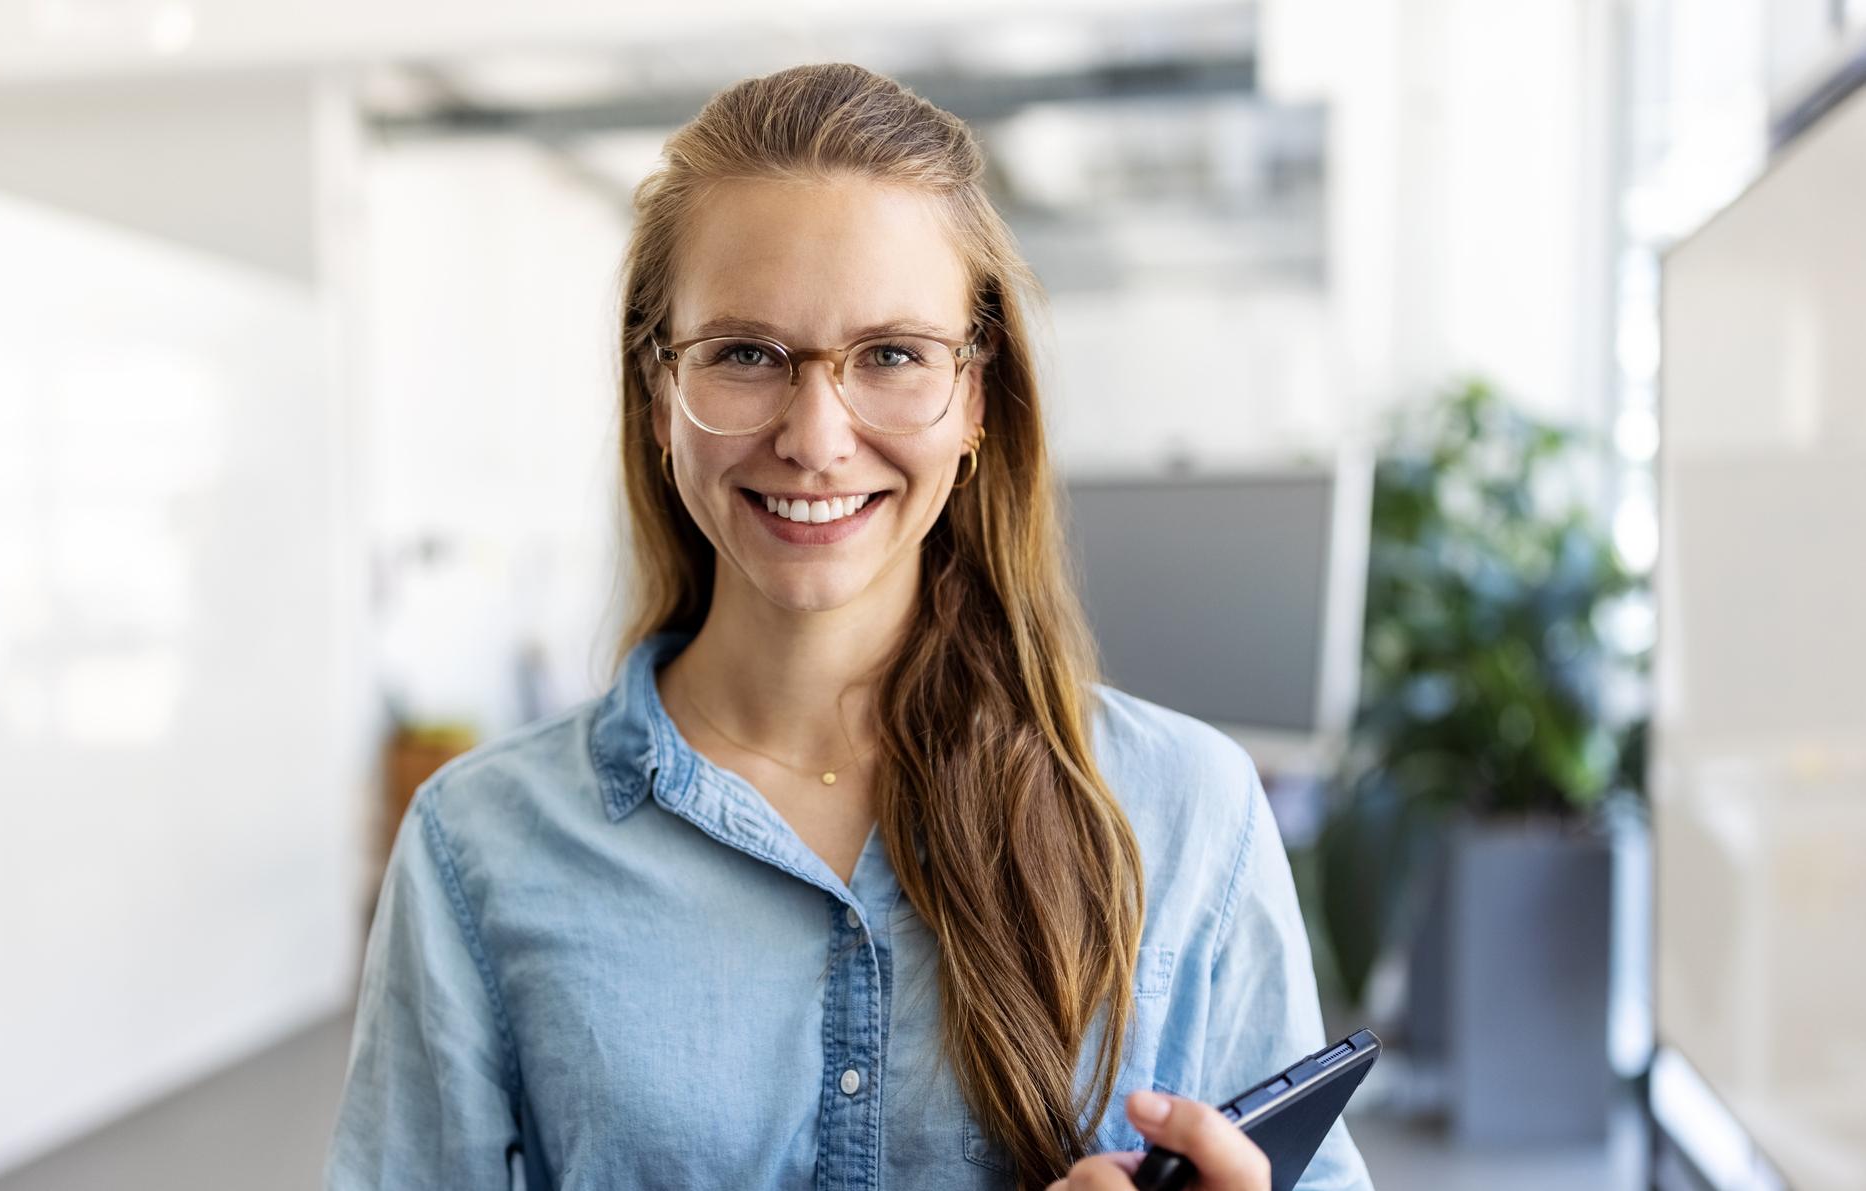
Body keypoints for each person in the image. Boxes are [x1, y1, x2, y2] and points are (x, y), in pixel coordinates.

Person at [324, 62, 1374, 1191]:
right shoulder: (480, 845)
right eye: (743, 354)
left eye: (892, 355)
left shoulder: (1184, 813)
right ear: (653, 390)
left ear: (975, 397)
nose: (817, 438)